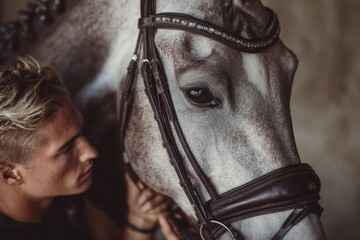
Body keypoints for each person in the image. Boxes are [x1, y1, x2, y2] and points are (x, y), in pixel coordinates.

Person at [0, 56, 181, 240]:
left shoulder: (63, 194)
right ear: (10, 174)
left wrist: (139, 220)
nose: (91, 152)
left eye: (81, 132)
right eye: (66, 149)